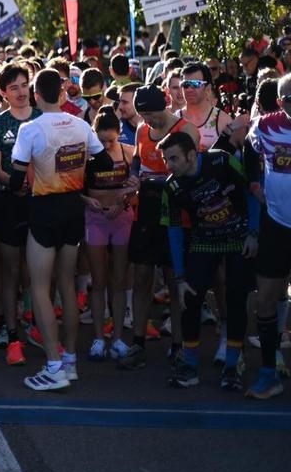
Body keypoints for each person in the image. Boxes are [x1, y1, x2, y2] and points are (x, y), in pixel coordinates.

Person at [12, 69, 110, 391]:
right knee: (67, 285)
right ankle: (70, 361)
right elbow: (104, 163)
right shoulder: (80, 124)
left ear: (36, 95)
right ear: (63, 93)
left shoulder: (30, 128)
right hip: (72, 210)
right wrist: (74, 170)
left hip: (44, 209)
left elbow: (16, 179)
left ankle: (54, 365)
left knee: (40, 287)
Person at [159, 130, 257, 391]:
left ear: (192, 155)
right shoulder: (172, 186)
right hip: (204, 241)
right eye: (166, 160)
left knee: (236, 300)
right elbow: (174, 232)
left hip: (239, 238)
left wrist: (254, 233)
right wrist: (179, 276)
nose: (168, 166)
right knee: (190, 299)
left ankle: (232, 365)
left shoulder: (222, 160)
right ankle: (190, 365)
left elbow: (251, 191)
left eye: (173, 159)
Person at [118, 85, 198, 370]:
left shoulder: (186, 130)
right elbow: (137, 161)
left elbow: (189, 173)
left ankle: (178, 345)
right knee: (141, 276)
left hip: (177, 212)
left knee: (175, 279)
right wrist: (133, 177)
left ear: (163, 107)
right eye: (143, 115)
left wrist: (147, 182)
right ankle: (138, 343)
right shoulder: (142, 130)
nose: (148, 120)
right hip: (147, 212)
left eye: (151, 114)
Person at [0, 63, 40, 365]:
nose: (20, 92)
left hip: (39, 201)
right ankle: (10, 332)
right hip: (7, 203)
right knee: (10, 269)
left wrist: (34, 185)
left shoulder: (43, 118)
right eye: (13, 87)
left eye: (24, 85)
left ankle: (34, 322)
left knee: (36, 271)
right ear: (3, 93)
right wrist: (16, 184)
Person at [246, 73, 291, 398]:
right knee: (265, 299)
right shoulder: (264, 125)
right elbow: (248, 149)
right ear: (280, 102)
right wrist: (254, 183)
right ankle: (268, 373)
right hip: (276, 222)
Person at [82, 107, 137, 362]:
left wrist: (124, 201)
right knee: (98, 280)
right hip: (95, 219)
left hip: (121, 219)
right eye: (101, 141)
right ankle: (98, 338)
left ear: (119, 134)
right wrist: (87, 200)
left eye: (110, 141)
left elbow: (136, 186)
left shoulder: (128, 152)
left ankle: (117, 338)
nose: (105, 146)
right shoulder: (87, 155)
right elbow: (73, 187)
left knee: (119, 279)